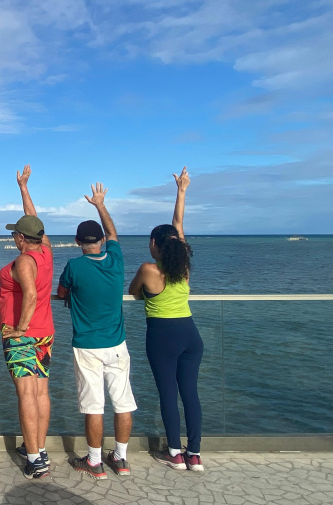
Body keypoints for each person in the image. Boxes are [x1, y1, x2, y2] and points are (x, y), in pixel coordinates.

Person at [58, 183, 137, 480]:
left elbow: (62, 291)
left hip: (87, 345)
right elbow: (114, 235)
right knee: (123, 403)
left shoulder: (74, 265)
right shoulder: (116, 261)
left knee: (94, 406)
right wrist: (100, 205)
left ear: (78, 241)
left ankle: (94, 462)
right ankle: (121, 459)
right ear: (101, 240)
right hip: (117, 343)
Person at [129, 167, 203, 472]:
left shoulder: (149, 269)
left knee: (168, 395)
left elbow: (133, 292)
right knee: (190, 394)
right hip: (190, 335)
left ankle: (174, 453)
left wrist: (181, 190)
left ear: (156, 244)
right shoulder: (183, 267)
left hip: (162, 336)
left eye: (150, 241)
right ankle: (194, 455)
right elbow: (178, 226)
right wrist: (181, 191)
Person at [0, 165, 55, 480]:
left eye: (15, 234)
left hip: (23, 336)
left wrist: (19, 328)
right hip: (45, 333)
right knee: (40, 392)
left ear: (21, 238)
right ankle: (39, 448)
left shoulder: (23, 260)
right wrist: (23, 188)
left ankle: (34, 459)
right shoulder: (45, 252)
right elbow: (36, 222)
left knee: (25, 394)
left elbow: (30, 296)